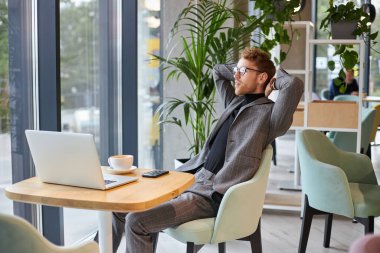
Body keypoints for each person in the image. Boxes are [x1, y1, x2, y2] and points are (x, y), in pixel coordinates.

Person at [108, 48, 304, 253]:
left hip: (211, 195)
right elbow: (218, 71)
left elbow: (293, 84)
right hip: (190, 180)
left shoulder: (271, 117)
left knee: (137, 221)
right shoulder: (234, 102)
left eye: (242, 71)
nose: (236, 75)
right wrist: (242, 70)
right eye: (236, 70)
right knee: (117, 209)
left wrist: (273, 80)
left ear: (262, 76)